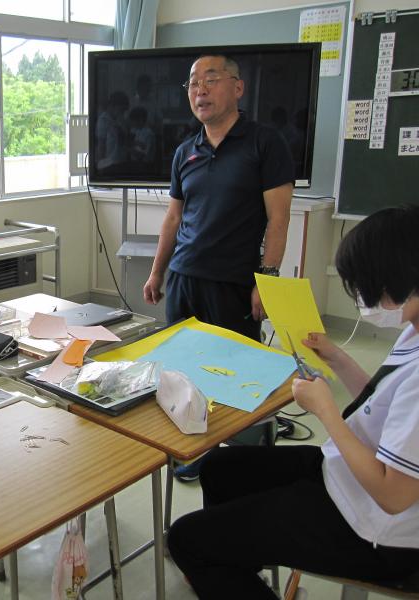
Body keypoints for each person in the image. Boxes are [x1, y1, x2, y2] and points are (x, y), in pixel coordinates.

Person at [167, 205, 419, 599]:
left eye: (367, 286)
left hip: (374, 533)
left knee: (185, 540)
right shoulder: (413, 329)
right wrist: (336, 357)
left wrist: (326, 411)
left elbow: (393, 496)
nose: (364, 298)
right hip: (345, 478)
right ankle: (234, 567)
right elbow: (381, 402)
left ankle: (221, 565)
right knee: (219, 468)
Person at [143, 54, 294, 342]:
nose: (201, 90)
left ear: (238, 88)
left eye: (211, 80)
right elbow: (173, 218)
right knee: (180, 358)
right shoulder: (185, 152)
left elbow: (279, 218)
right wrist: (156, 273)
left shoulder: (266, 143)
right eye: (193, 83)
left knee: (232, 362)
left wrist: (267, 282)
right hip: (183, 277)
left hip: (232, 283)